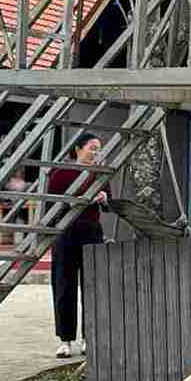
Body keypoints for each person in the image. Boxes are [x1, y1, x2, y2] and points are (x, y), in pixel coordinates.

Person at [49, 134, 109, 358]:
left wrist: (104, 198)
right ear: (78, 149)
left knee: (92, 287)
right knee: (64, 286)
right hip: (66, 233)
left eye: (98, 149)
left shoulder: (100, 174)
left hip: (91, 232)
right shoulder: (60, 174)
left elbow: (109, 206)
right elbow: (51, 205)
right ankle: (65, 341)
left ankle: (88, 338)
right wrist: (80, 198)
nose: (96, 153)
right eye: (92, 148)